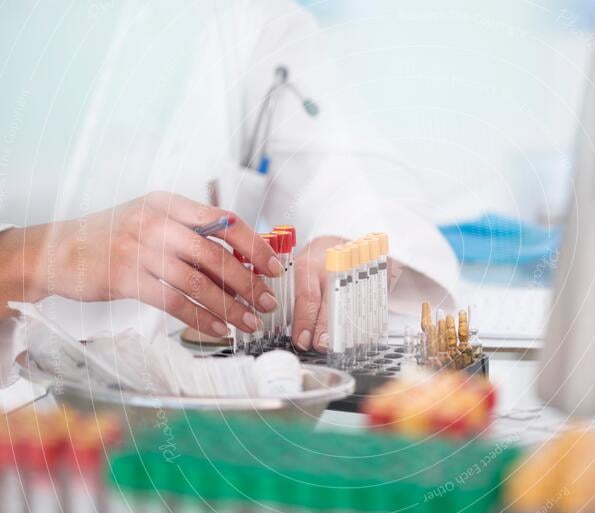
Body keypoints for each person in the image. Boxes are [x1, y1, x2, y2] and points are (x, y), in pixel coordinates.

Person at [0, 0, 458, 392]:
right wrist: (23, 258)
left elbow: (359, 173)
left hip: (180, 417)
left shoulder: (248, 21)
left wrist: (351, 242)